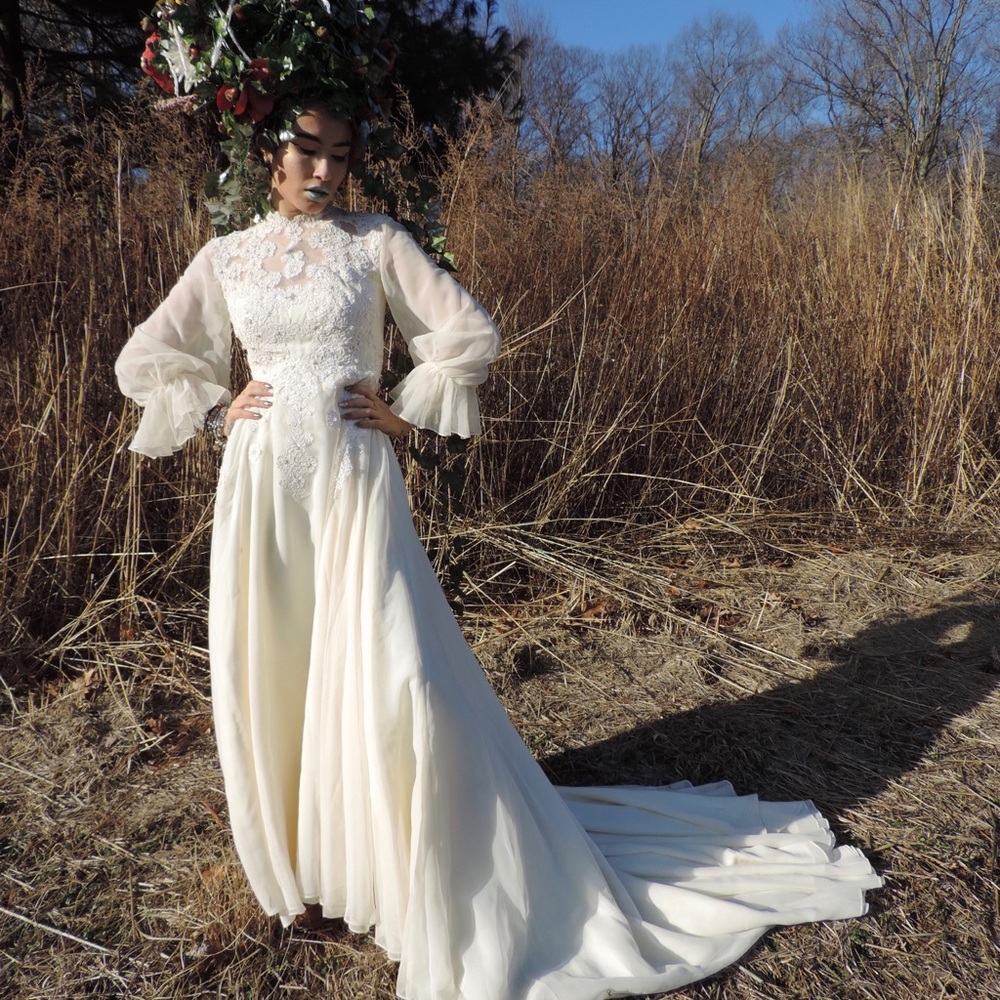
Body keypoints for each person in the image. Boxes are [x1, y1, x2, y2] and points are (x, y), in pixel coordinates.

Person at [119, 6, 881, 999]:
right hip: (262, 484)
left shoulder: (375, 242)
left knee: (389, 667)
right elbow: (146, 355)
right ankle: (307, 868)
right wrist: (221, 410)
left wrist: (401, 417)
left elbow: (465, 332)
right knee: (277, 660)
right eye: (309, 150)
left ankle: (401, 861)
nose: (326, 170)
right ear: (271, 151)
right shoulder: (225, 258)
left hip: (352, 480)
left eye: (342, 154)